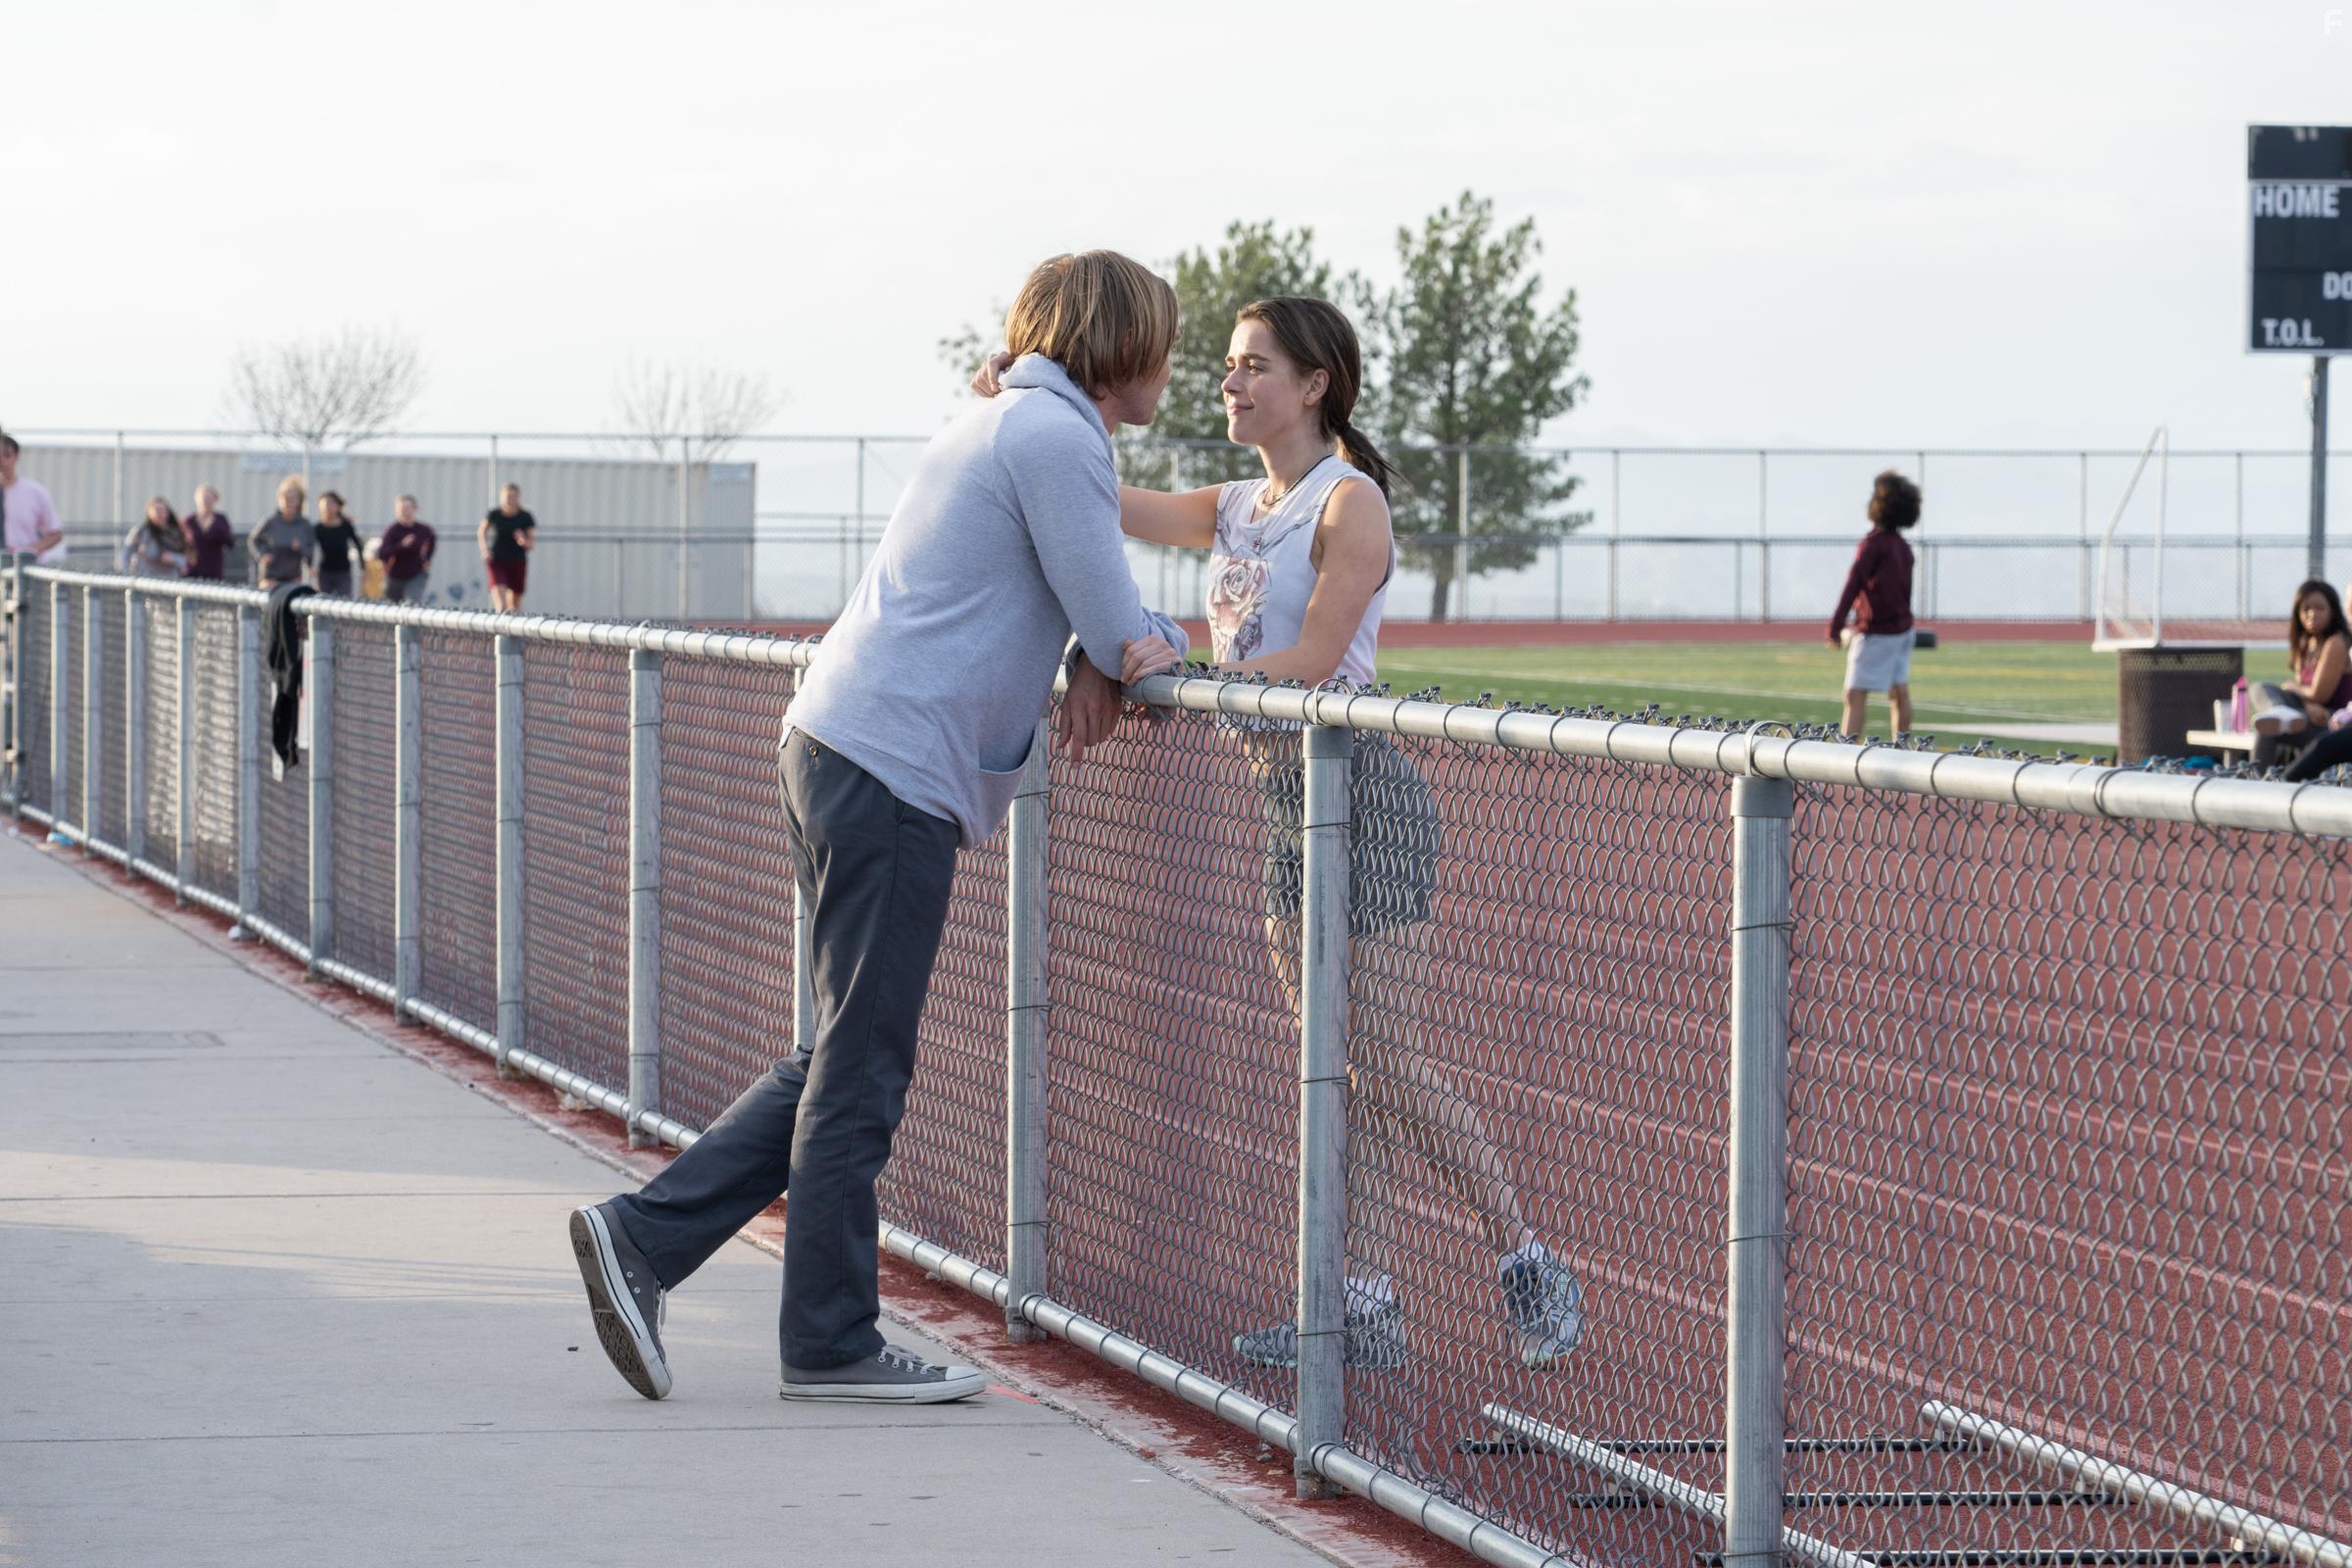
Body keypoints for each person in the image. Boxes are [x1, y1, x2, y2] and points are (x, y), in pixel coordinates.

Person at [569, 250, 1188, 1406]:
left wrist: (1092, 646)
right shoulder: (1055, 436)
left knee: (836, 1054)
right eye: (1162, 343)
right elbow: (1122, 624)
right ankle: (827, 1340)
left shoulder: (1010, 417)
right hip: (890, 770)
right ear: (1118, 346)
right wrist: (1137, 648)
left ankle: (644, 1239)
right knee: (860, 1065)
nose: (1172, 366)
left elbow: (1070, 606)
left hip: (842, 745)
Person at [977, 297, 1588, 1372]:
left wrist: (1185, 676)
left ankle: (1527, 1258)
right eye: (1226, 364)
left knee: (1384, 1060)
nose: (1230, 382)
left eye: (1254, 366)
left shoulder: (1348, 504)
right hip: (1281, 804)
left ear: (1313, 386)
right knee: (1332, 1069)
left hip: (1365, 795)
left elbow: (1311, 661)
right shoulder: (1233, 507)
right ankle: (1365, 1303)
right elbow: (1094, 499)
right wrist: (1008, 402)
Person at [1827, 469, 1921, 739]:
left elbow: (1853, 583)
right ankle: (1902, 747)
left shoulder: (1873, 545)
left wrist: (1835, 625)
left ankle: (1846, 752)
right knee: (1899, 691)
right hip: (1903, 630)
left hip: (1877, 632)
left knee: (1854, 694)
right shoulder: (1903, 547)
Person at [2249, 579, 2352, 768]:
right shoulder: (2305, 642)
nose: (2312, 614)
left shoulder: (2336, 642)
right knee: (2260, 688)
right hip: (2307, 712)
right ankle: (2279, 710)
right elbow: (2306, 693)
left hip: (2333, 720)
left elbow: (2319, 694)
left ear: (2333, 611)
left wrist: (2293, 688)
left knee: (2269, 729)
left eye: (2320, 608)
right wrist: (2307, 703)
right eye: (2306, 609)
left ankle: (2258, 781)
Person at [0, 432, 68, 564]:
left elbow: (56, 533)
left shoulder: (35, 492)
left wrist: (29, 552)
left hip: (26, 566)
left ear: (17, 456)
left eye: (7, 455)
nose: (2, 462)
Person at [250, 476, 317, 589]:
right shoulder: (271, 522)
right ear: (279, 499)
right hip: (271, 577)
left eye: (293, 498)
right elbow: (253, 539)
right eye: (286, 498)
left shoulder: (304, 524)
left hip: (293, 577)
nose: (289, 502)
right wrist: (262, 554)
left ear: (300, 501)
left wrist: (300, 548)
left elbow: (310, 553)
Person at [478, 482, 536, 611]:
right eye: (507, 497)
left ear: (518, 498)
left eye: (513, 497)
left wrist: (523, 540)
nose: (510, 500)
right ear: (501, 498)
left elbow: (531, 544)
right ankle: (499, 622)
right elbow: (481, 531)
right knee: (501, 605)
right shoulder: (494, 514)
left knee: (514, 606)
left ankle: (511, 622)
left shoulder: (525, 517)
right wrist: (485, 550)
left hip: (517, 561)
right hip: (497, 560)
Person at [377, 496, 436, 603]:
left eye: (408, 508)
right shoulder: (392, 530)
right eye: (401, 509)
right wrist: (401, 545)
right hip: (395, 575)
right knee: (392, 606)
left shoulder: (423, 530)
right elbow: (382, 553)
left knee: (412, 603)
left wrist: (427, 559)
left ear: (415, 509)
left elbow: (432, 540)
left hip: (416, 574)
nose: (405, 512)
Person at [121, 497, 189, 577]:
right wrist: (128, 575)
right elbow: (126, 554)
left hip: (170, 579)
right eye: (156, 510)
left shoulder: (176, 533)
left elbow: (186, 559)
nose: (159, 514)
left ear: (167, 512)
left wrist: (173, 558)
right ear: (149, 513)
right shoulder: (141, 532)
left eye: (162, 510)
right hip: (145, 578)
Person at [180, 486, 234, 580]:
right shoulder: (189, 521)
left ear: (215, 500)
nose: (206, 501)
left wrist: (218, 530)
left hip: (214, 567)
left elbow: (230, 543)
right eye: (203, 498)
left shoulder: (221, 519)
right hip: (194, 567)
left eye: (209, 498)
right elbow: (180, 544)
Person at [314, 491, 361, 596]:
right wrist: (311, 566)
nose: (328, 507)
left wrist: (363, 567)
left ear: (338, 507)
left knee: (344, 600)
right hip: (325, 572)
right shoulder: (317, 528)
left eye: (331, 503)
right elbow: (309, 548)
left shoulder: (345, 526)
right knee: (323, 601)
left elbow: (358, 544)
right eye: (325, 504)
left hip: (343, 571)